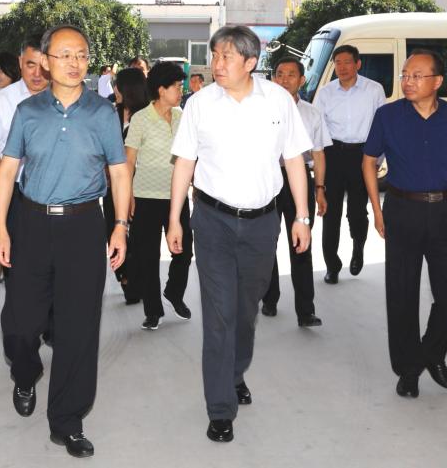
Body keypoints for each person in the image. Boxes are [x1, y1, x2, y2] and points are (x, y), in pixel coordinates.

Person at [0, 25, 131, 459]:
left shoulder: (102, 113)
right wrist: (1, 228)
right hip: (32, 223)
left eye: (82, 55)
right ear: (47, 61)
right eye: (65, 55)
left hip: (84, 225)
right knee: (20, 323)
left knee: (78, 327)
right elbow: (6, 170)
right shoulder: (28, 111)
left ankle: (67, 421)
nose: (74, 63)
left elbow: (119, 171)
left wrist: (120, 225)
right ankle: (25, 372)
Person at [168, 25, 312, 444]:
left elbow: (294, 159)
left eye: (226, 56)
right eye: (215, 55)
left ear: (250, 62)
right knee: (219, 314)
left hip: (262, 223)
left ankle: (234, 373)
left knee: (245, 311)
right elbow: (184, 162)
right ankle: (220, 408)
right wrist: (175, 218)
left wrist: (302, 217)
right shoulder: (199, 104)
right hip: (212, 220)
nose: (217, 63)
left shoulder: (278, 100)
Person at [361, 49, 447, 399]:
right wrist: (377, 210)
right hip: (402, 209)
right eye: (405, 75)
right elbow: (369, 162)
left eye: (416, 75)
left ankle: (430, 353)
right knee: (402, 294)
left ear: (437, 81)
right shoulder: (387, 116)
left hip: (445, 212)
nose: (407, 81)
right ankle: (408, 370)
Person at [259, 57, 330, 327]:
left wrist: (320, 189)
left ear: (302, 80)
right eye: (279, 74)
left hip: (299, 181)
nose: (284, 79)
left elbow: (319, 154)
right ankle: (269, 298)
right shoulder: (260, 110)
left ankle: (305, 310)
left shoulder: (312, 113)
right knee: (267, 241)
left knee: (301, 244)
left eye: (291, 74)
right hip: (269, 179)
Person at [125, 61, 193, 330]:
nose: (180, 90)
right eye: (176, 86)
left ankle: (174, 293)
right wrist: (128, 196)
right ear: (161, 89)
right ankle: (153, 311)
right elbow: (129, 161)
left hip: (177, 196)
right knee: (148, 256)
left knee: (184, 251)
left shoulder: (181, 116)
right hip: (145, 197)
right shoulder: (140, 119)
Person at [0, 35, 47, 288]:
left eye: (42, 66)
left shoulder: (67, 99)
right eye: (30, 65)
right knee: (16, 267)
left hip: (57, 193)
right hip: (14, 193)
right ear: (20, 62)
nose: (37, 74)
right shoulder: (2, 100)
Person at [312, 44, 385, 283]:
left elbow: (382, 127)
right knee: (330, 213)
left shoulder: (374, 90)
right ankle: (332, 265)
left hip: (362, 156)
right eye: (338, 63)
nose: (342, 67)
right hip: (333, 154)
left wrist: (376, 160)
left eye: (347, 62)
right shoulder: (325, 93)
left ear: (358, 64)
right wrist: (320, 161)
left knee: (357, 211)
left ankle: (358, 248)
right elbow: (318, 128)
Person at [105, 67, 149, 305]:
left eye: (117, 85)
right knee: (112, 231)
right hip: (112, 186)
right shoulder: (111, 113)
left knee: (139, 237)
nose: (114, 89)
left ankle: (136, 280)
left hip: (141, 187)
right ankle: (124, 276)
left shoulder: (147, 116)